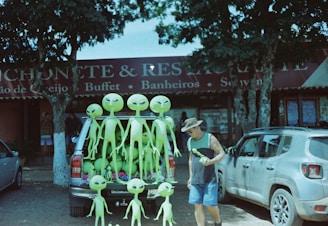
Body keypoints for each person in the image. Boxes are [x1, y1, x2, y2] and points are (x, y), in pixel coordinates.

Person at [181, 117, 225, 226]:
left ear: (197, 127)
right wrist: (190, 177)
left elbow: (221, 153)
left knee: (210, 204)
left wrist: (210, 162)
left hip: (210, 178)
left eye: (190, 131)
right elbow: (191, 160)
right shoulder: (190, 141)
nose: (189, 134)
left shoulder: (210, 138)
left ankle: (218, 221)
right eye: (187, 132)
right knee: (197, 204)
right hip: (196, 179)